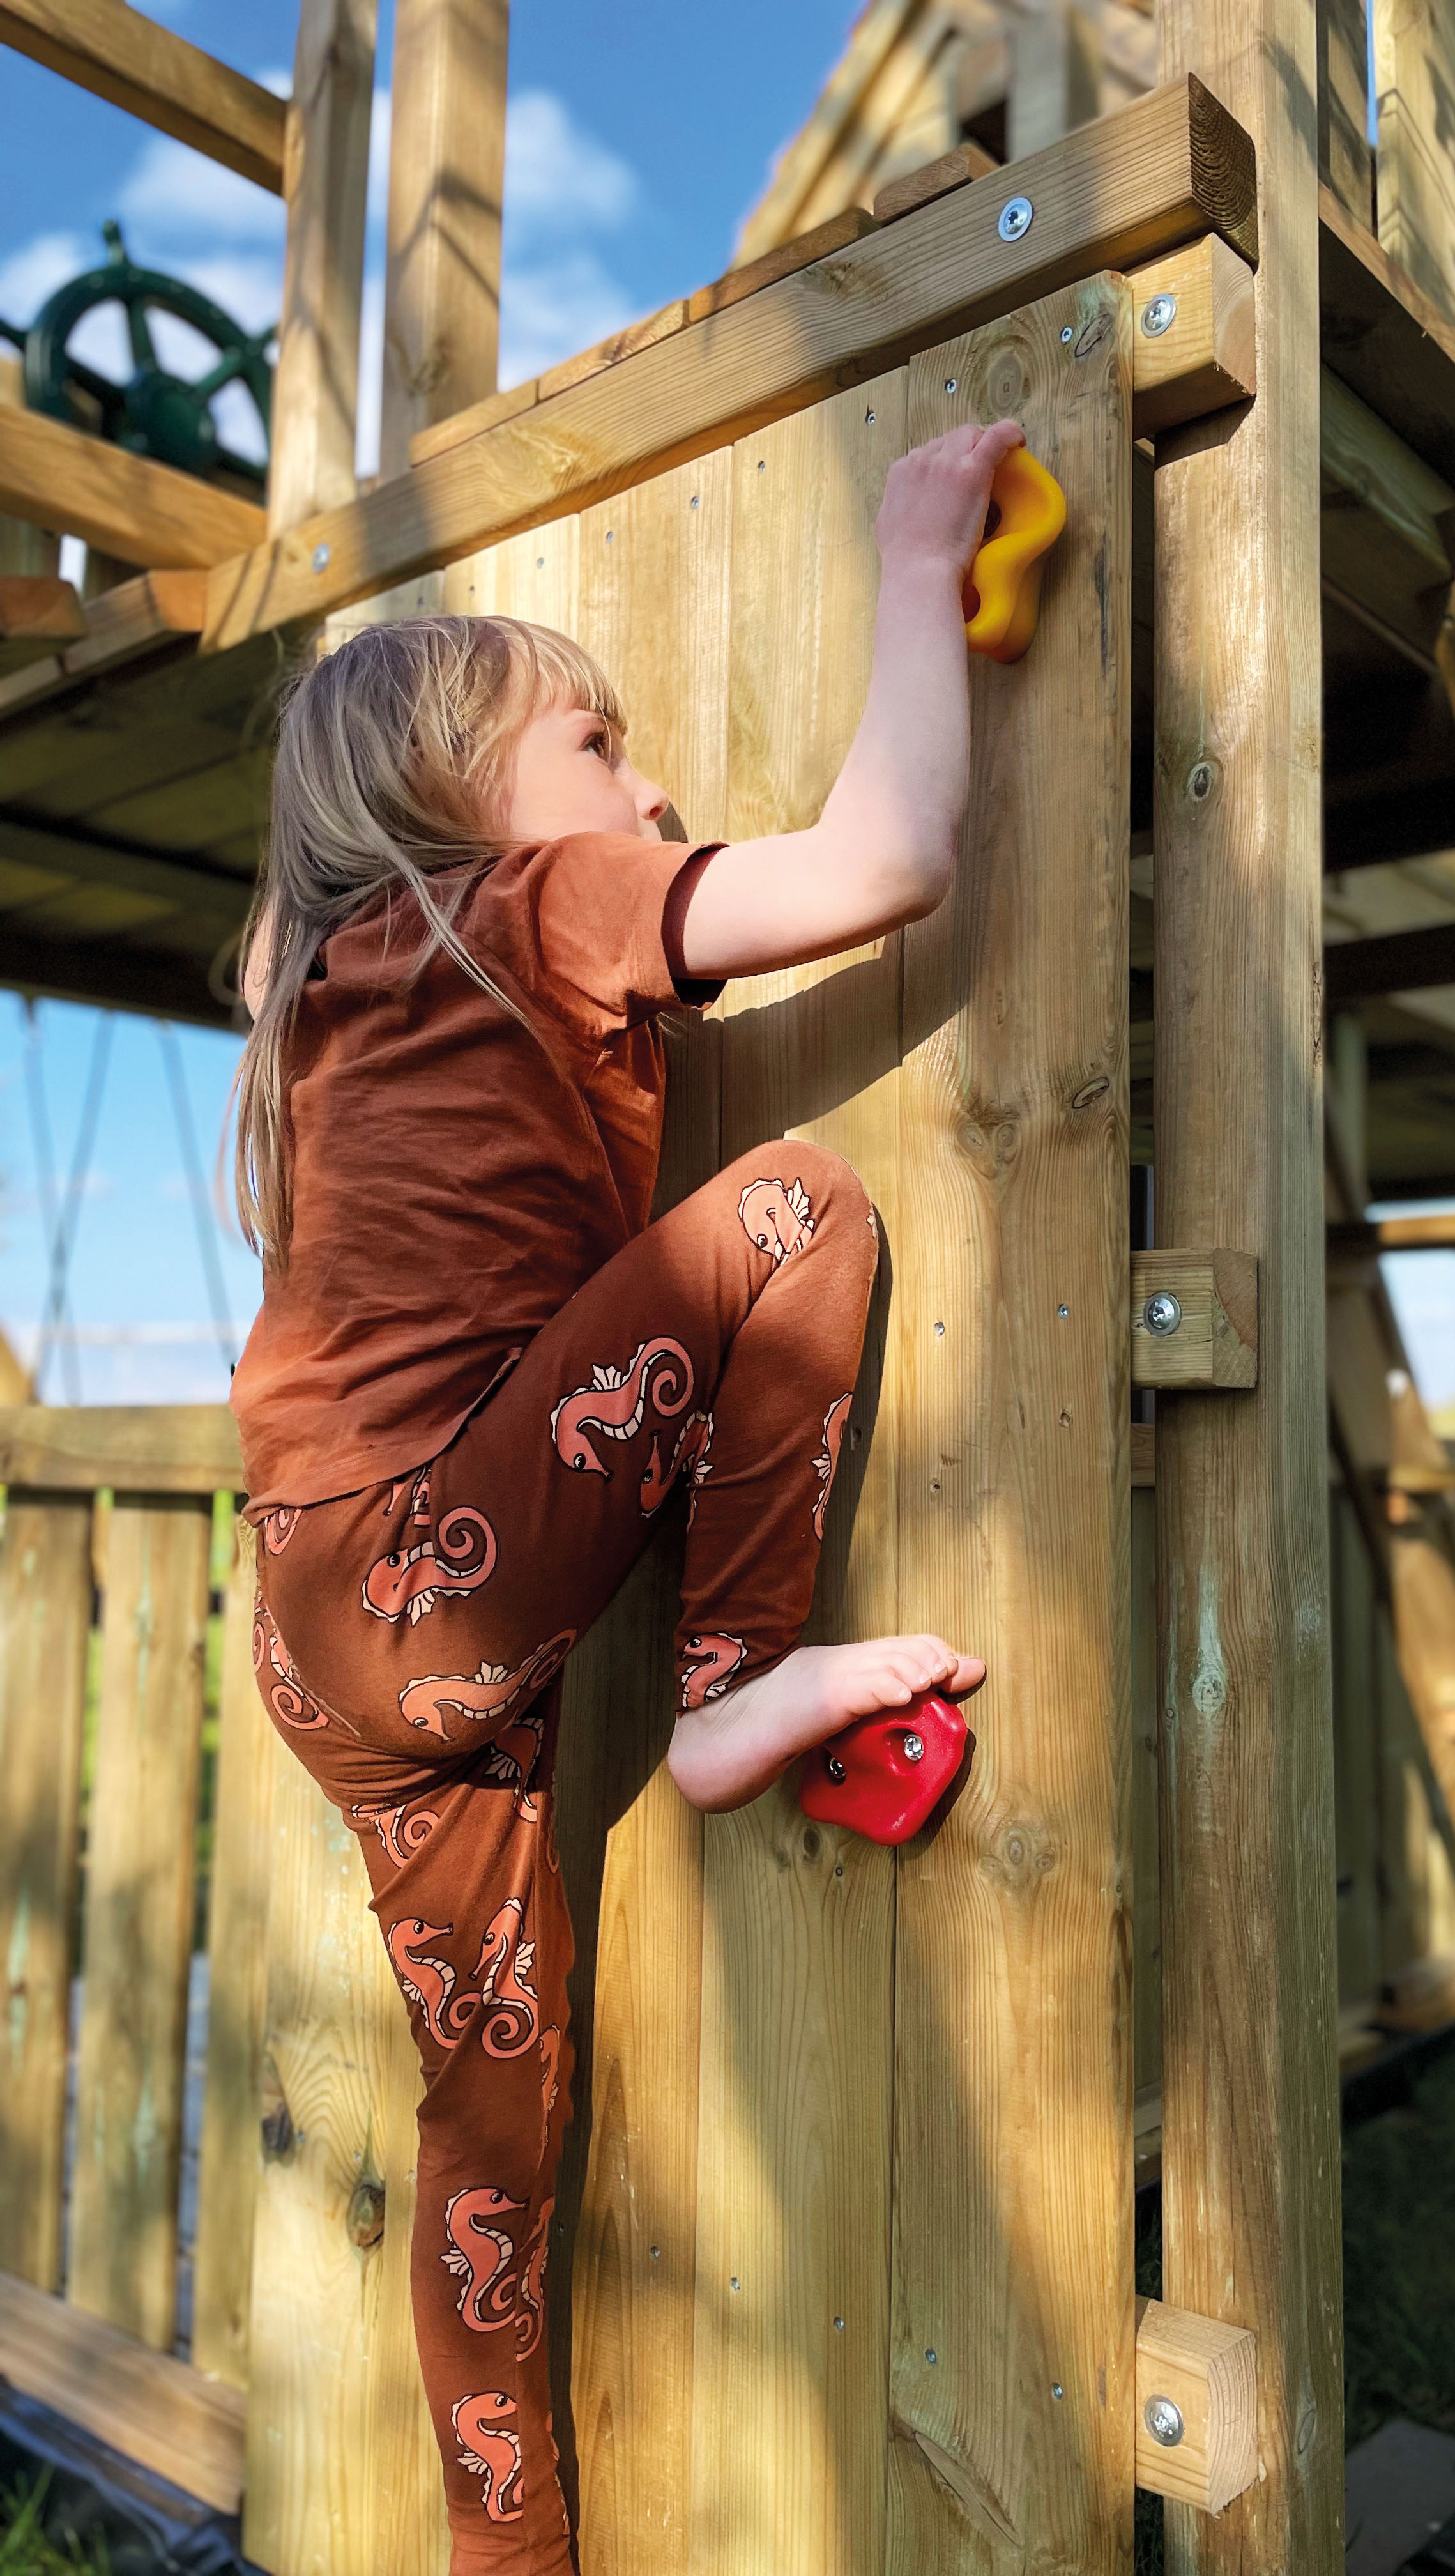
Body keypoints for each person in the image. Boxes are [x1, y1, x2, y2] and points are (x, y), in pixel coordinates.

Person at [227, 417, 1021, 2574]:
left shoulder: (329, 1007)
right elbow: (883, 862)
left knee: (496, 2151)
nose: (650, 789)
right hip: (427, 1577)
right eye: (601, 741)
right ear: (453, 795)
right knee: (793, 1214)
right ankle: (730, 1693)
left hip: (326, 1643)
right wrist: (917, 547)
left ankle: (513, 2558)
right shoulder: (533, 904)